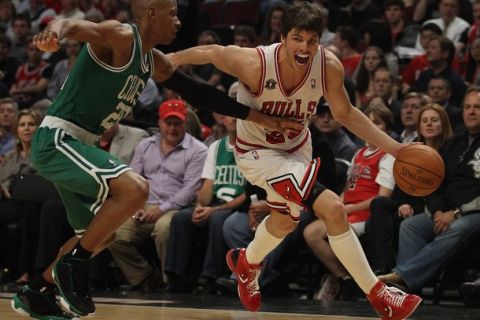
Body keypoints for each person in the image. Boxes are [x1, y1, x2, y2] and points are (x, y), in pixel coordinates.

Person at [10, 1, 302, 319]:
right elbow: (72, 25)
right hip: (58, 138)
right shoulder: (121, 35)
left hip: (81, 144)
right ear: (152, 13)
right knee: (135, 190)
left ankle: (37, 291)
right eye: (172, 14)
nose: (178, 22)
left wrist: (263, 118)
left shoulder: (153, 61)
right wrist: (52, 34)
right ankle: (74, 266)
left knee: (102, 234)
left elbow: (200, 94)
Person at [169, 2, 421, 318]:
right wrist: (173, 59)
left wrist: (396, 149)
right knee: (330, 207)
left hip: (297, 150)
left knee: (286, 221)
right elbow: (213, 52)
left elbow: (346, 114)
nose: (305, 48)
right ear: (283, 37)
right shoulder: (255, 63)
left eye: (312, 40)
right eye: (297, 39)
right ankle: (379, 294)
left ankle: (247, 263)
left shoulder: (328, 66)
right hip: (255, 153)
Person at [379, 88, 480, 292]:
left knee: (457, 227)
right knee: (410, 226)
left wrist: (457, 213)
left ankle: (403, 277)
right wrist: (438, 212)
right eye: (468, 107)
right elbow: (435, 185)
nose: (471, 112)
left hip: (473, 212)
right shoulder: (453, 144)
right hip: (445, 211)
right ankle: (408, 292)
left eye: (477, 107)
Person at [109, 100, 208, 292]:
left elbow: (189, 190)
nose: (172, 128)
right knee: (113, 234)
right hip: (143, 206)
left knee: (164, 229)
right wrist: (135, 206)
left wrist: (160, 210)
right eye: (168, 123)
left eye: (177, 123)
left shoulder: (198, 150)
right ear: (160, 122)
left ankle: (169, 282)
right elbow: (134, 179)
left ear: (185, 123)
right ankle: (146, 277)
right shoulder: (145, 145)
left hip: (175, 208)